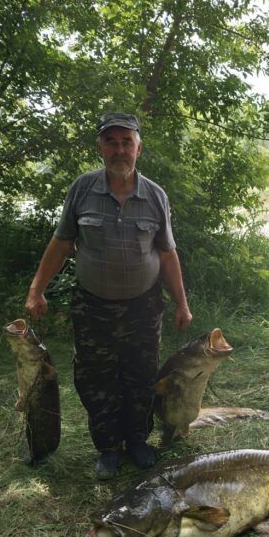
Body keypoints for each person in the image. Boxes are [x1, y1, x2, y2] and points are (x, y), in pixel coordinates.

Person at [25, 112, 192, 478]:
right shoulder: (82, 189)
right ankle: (107, 449)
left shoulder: (155, 196)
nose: (119, 150)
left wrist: (181, 303)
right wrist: (37, 290)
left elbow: (166, 254)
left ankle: (136, 442)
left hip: (142, 308)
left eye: (126, 142)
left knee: (141, 377)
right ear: (100, 147)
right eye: (111, 142)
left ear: (139, 148)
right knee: (95, 379)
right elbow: (61, 243)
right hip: (93, 306)